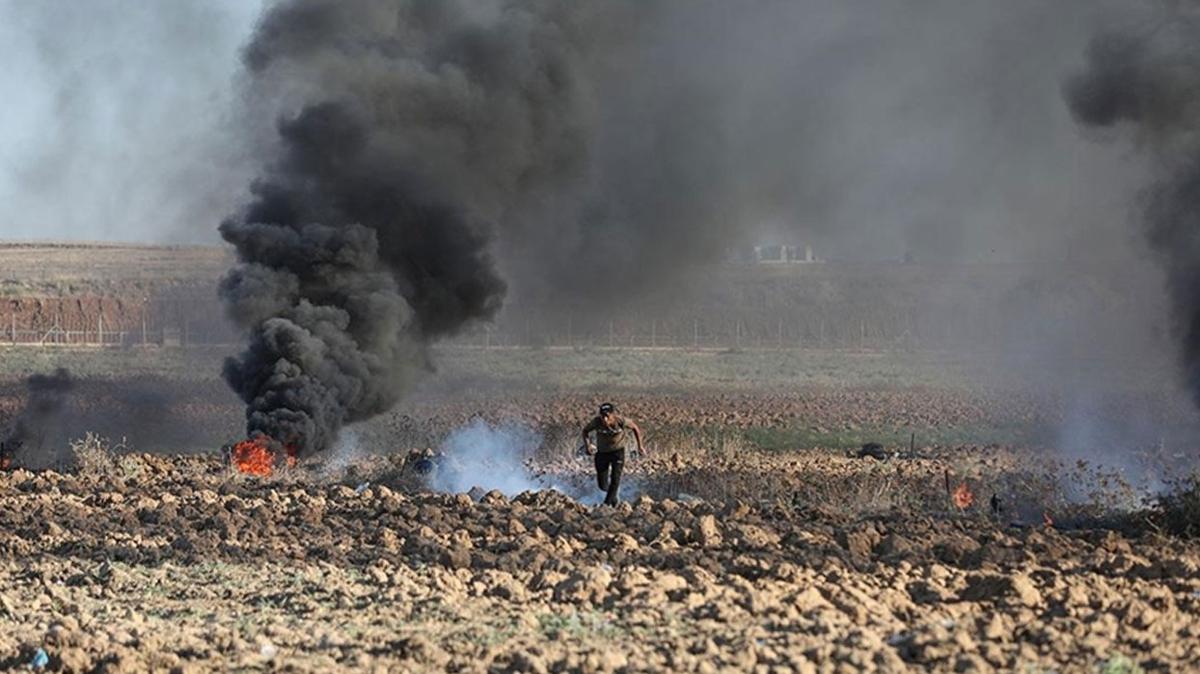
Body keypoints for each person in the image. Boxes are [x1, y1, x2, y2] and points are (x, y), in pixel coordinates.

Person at [580, 402, 644, 505]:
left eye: (607, 416)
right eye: (602, 416)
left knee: (615, 479)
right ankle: (614, 499)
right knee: (602, 484)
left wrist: (640, 446)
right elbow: (585, 431)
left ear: (612, 414)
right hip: (602, 453)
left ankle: (606, 505)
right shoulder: (596, 422)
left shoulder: (620, 421)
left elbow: (635, 428)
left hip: (617, 452)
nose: (605, 419)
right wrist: (588, 445)